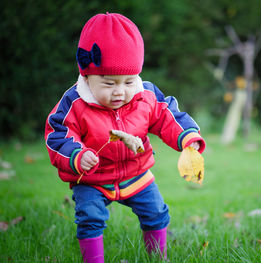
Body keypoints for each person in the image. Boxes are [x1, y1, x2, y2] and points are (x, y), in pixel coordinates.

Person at [44, 12, 205, 262]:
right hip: (92, 178)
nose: (120, 91)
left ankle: (157, 257)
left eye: (128, 81)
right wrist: (77, 155)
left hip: (136, 172)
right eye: (109, 84)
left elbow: (168, 116)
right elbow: (57, 135)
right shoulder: (74, 103)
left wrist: (188, 137)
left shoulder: (145, 96)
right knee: (90, 217)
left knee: (156, 212)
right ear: (87, 76)